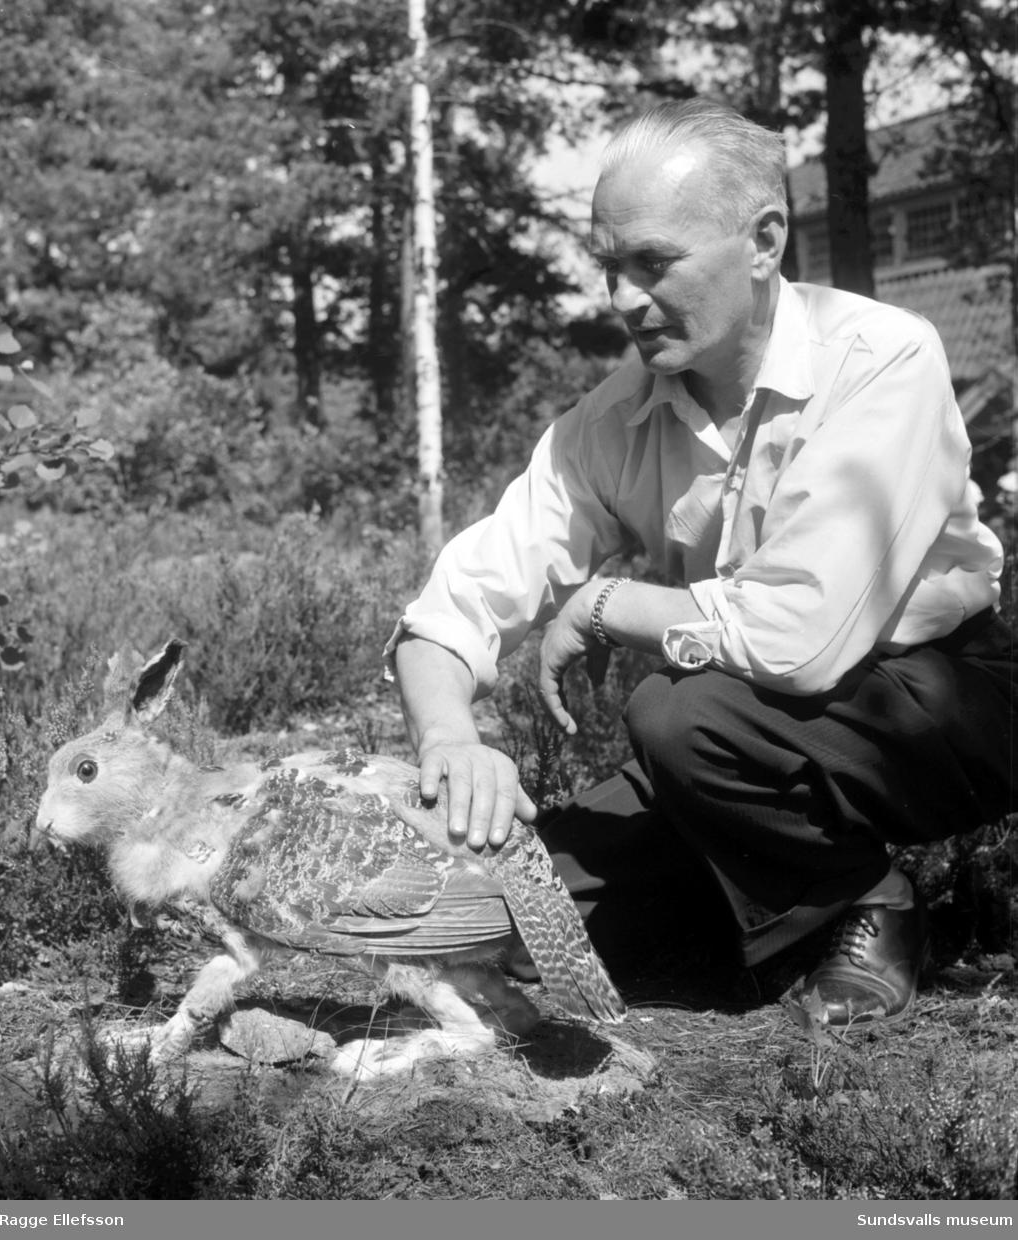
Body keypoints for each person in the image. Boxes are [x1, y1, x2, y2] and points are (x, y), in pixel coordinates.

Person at [383, 98, 1014, 1029]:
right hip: (747, 731)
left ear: (763, 241)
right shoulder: (613, 419)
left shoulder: (882, 359)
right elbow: (456, 603)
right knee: (511, 908)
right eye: (609, 268)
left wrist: (604, 602)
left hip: (933, 703)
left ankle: (869, 896)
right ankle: (739, 884)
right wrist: (449, 737)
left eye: (653, 263)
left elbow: (799, 639)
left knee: (674, 714)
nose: (622, 300)